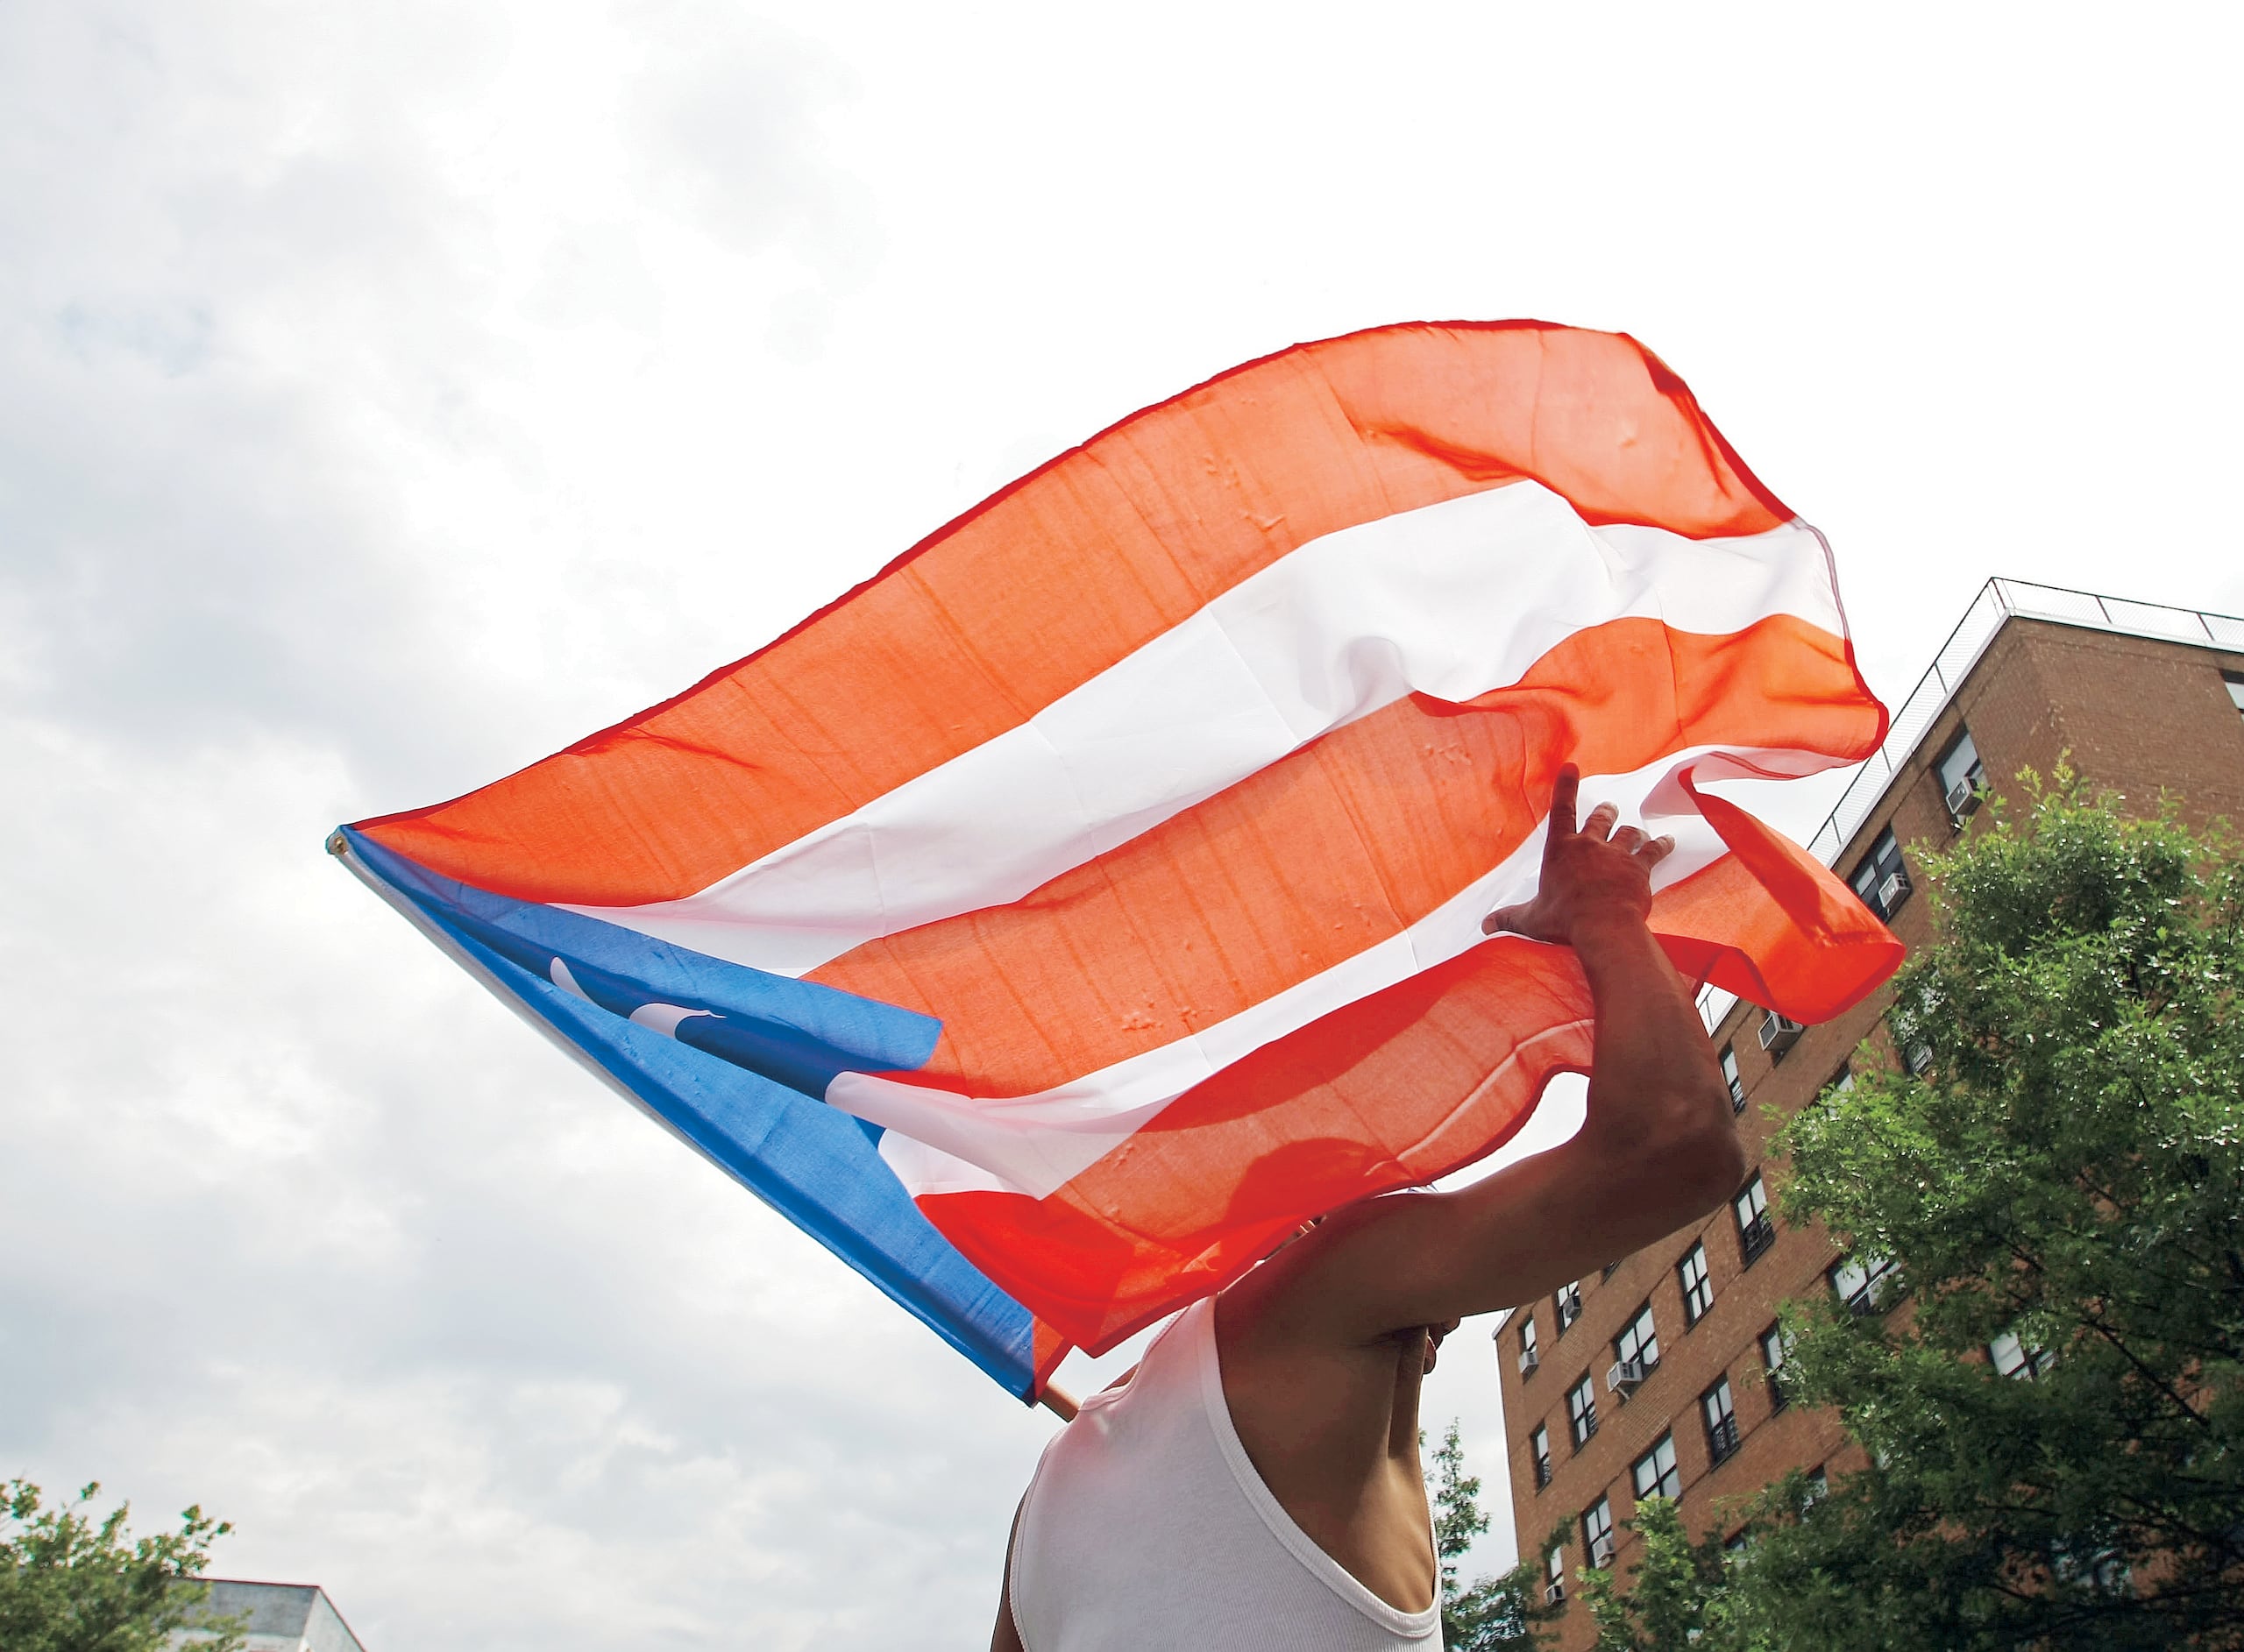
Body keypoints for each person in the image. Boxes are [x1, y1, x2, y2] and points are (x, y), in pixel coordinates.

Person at [990, 766, 1747, 1651]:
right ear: (1314, 1226)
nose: (1449, 1293)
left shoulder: (1042, 1506)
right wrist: (1606, 914)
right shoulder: (1312, 1304)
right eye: (1407, 1209)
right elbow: (1678, 1143)